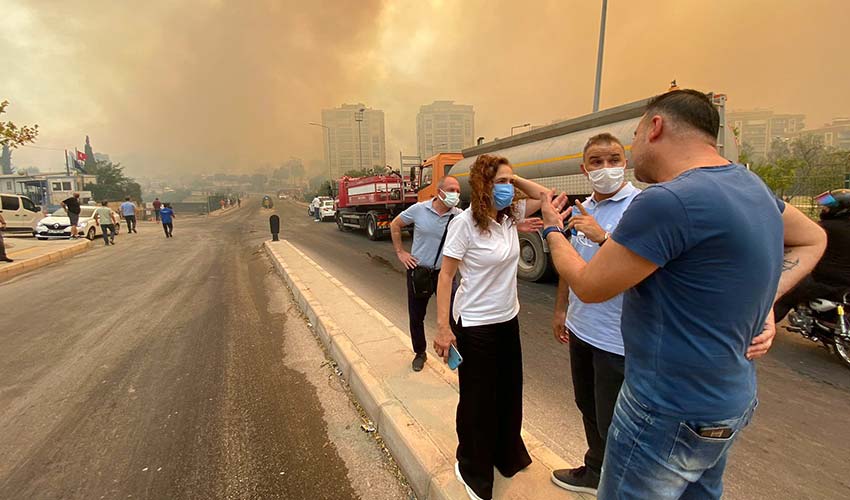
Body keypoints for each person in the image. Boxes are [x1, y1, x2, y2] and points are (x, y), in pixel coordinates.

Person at [540, 89, 826, 499]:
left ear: (655, 128)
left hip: (665, 409)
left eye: (634, 137)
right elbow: (812, 239)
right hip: (729, 402)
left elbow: (589, 285)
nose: (633, 151)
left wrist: (553, 231)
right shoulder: (751, 185)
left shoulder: (668, 201)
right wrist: (763, 302)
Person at [434, 154, 549, 500]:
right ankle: (471, 467)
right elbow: (446, 275)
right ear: (483, 185)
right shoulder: (464, 224)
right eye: (500, 182)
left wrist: (514, 180)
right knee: (478, 401)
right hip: (475, 325)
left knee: (510, 393)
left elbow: (544, 195)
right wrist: (443, 327)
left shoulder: (510, 217)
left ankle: (505, 454)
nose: (507, 188)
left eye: (509, 182)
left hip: (507, 319)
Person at [549, 133, 641, 495]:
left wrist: (604, 238)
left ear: (626, 162)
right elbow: (569, 262)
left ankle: (619, 485)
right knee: (586, 403)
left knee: (614, 419)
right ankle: (594, 470)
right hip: (581, 327)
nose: (607, 169)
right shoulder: (582, 208)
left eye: (614, 159)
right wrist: (561, 309)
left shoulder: (640, 207)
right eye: (598, 162)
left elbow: (640, 268)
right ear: (584, 169)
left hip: (617, 337)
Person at [390, 175, 463, 372]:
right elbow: (395, 225)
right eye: (451, 190)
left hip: (445, 275)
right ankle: (420, 352)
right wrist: (400, 252)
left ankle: (454, 351)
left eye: (458, 191)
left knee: (456, 316)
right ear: (439, 192)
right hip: (419, 273)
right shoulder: (419, 209)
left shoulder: (459, 215)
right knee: (416, 316)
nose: (455, 194)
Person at [774, 188, 850, 321]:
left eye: (827, 207)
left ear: (841, 209)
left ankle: (760, 329)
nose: (824, 209)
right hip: (843, 285)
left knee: (783, 293)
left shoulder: (825, 228)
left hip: (825, 283)